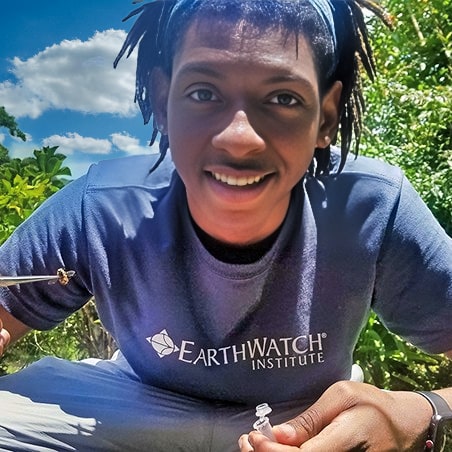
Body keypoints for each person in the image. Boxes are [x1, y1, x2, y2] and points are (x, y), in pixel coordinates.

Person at [0, 0, 451, 450]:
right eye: (203, 93)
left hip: (304, 419)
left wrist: (422, 410)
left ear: (326, 117)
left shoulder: (372, 206)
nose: (239, 139)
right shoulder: (100, 207)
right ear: (162, 102)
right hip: (132, 403)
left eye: (283, 98)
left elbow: (421, 410)